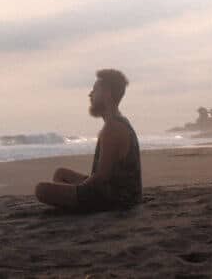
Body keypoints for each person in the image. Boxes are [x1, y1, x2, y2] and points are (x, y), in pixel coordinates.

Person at [34, 69, 142, 212]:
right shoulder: (117, 122)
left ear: (107, 94)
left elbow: (100, 178)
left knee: (41, 190)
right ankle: (72, 202)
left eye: (94, 90)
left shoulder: (113, 128)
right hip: (115, 191)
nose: (90, 94)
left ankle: (76, 206)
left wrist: (78, 190)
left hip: (118, 199)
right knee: (61, 174)